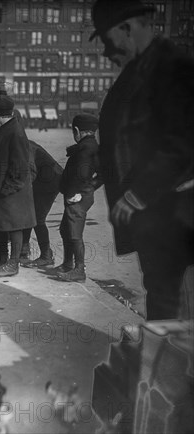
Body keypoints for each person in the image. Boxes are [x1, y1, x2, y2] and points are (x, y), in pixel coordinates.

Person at [90, 0, 194, 319]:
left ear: (127, 28)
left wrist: (137, 195)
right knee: (161, 290)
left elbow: (182, 142)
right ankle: (165, 358)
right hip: (156, 215)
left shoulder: (174, 67)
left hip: (174, 209)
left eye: (108, 41)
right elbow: (123, 138)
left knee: (169, 297)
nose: (107, 53)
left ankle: (168, 364)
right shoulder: (140, 68)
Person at [0, 94, 36, 278]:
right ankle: (1, 259)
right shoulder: (4, 130)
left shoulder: (15, 132)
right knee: (0, 224)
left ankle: (13, 263)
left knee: (14, 226)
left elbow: (20, 167)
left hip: (13, 190)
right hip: (2, 188)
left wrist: (7, 189)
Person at [54, 114, 100, 283]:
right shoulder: (89, 146)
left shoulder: (87, 149)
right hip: (76, 195)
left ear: (77, 131)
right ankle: (67, 264)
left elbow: (86, 174)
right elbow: (101, 175)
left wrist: (81, 191)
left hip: (77, 197)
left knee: (74, 233)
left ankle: (79, 270)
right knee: (65, 229)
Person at [21, 140, 63, 268]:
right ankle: (23, 251)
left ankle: (46, 256)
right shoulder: (18, 142)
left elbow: (31, 172)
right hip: (42, 181)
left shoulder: (23, 145)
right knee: (28, 213)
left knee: (37, 219)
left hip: (50, 181)